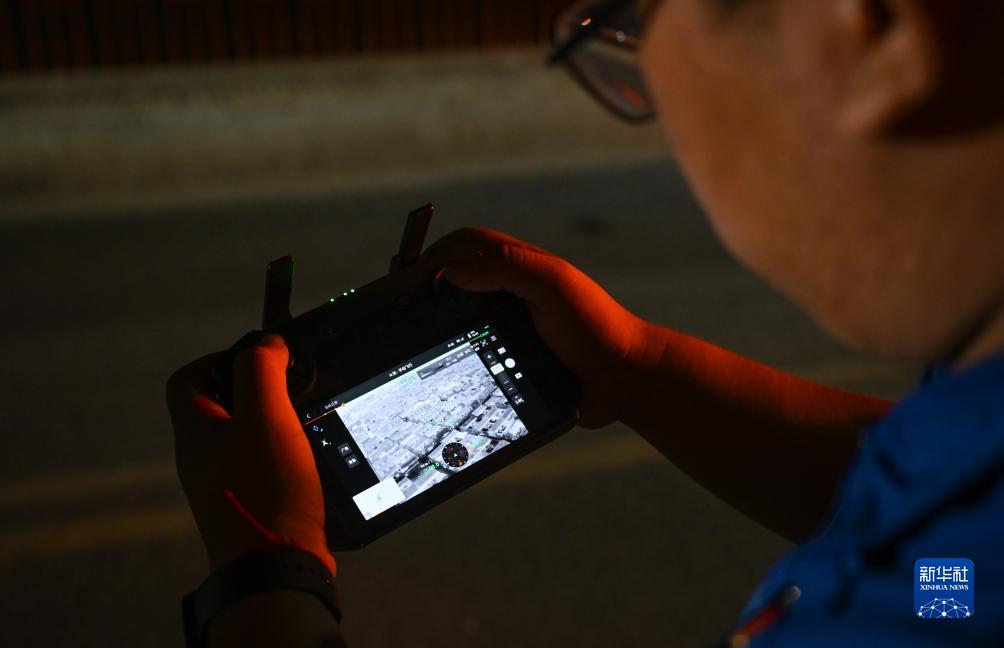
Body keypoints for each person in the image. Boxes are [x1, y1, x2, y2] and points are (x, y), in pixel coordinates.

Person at [166, 0, 1004, 645]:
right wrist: (636, 366)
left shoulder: (889, 627)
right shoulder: (963, 527)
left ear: (866, 28)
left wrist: (265, 569)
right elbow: (936, 515)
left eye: (636, 21)